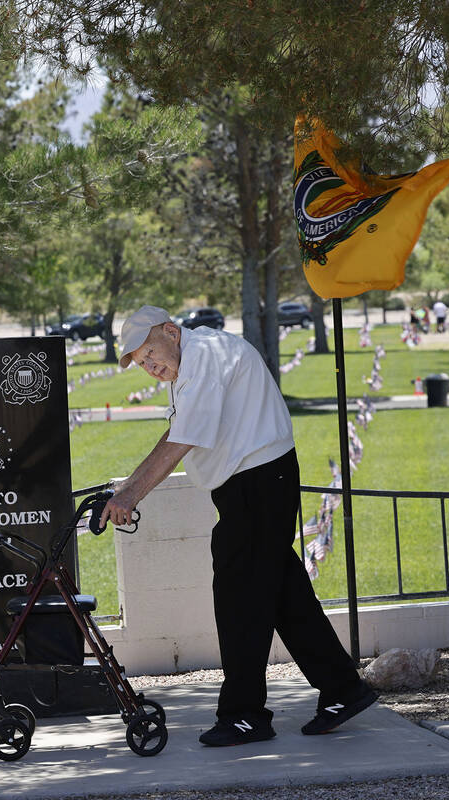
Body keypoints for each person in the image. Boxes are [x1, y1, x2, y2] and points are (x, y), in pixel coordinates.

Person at [101, 305, 376, 747]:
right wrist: (126, 487)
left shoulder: (205, 354)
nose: (150, 367)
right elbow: (178, 431)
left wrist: (131, 496)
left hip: (258, 482)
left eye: (150, 352)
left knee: (239, 599)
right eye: (142, 363)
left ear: (171, 332)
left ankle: (245, 715)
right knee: (283, 596)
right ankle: (345, 689)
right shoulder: (192, 360)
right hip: (251, 484)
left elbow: (183, 437)